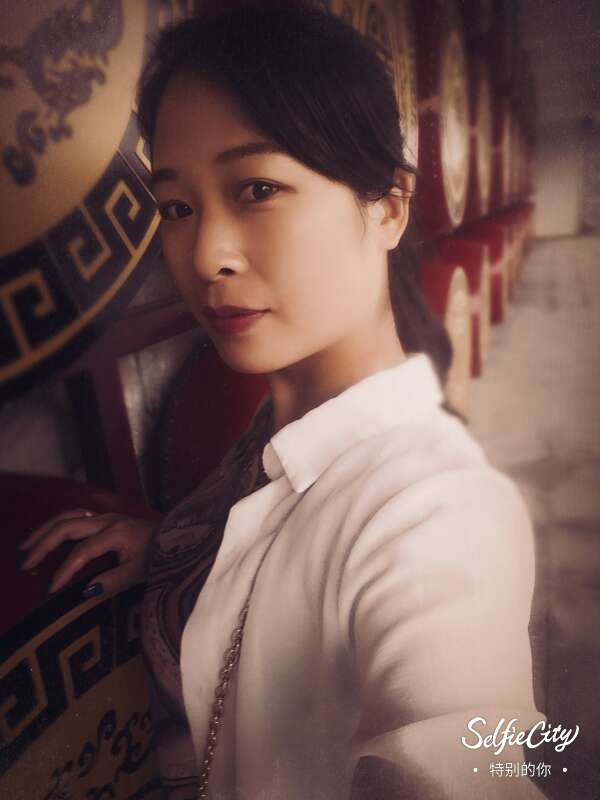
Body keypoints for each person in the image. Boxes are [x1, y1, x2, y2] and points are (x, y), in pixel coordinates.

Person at [20, 2, 548, 798]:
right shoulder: (281, 430)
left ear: (389, 206)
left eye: (258, 188)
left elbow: (459, 756)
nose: (206, 255)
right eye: (177, 207)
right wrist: (178, 547)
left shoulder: (441, 514)